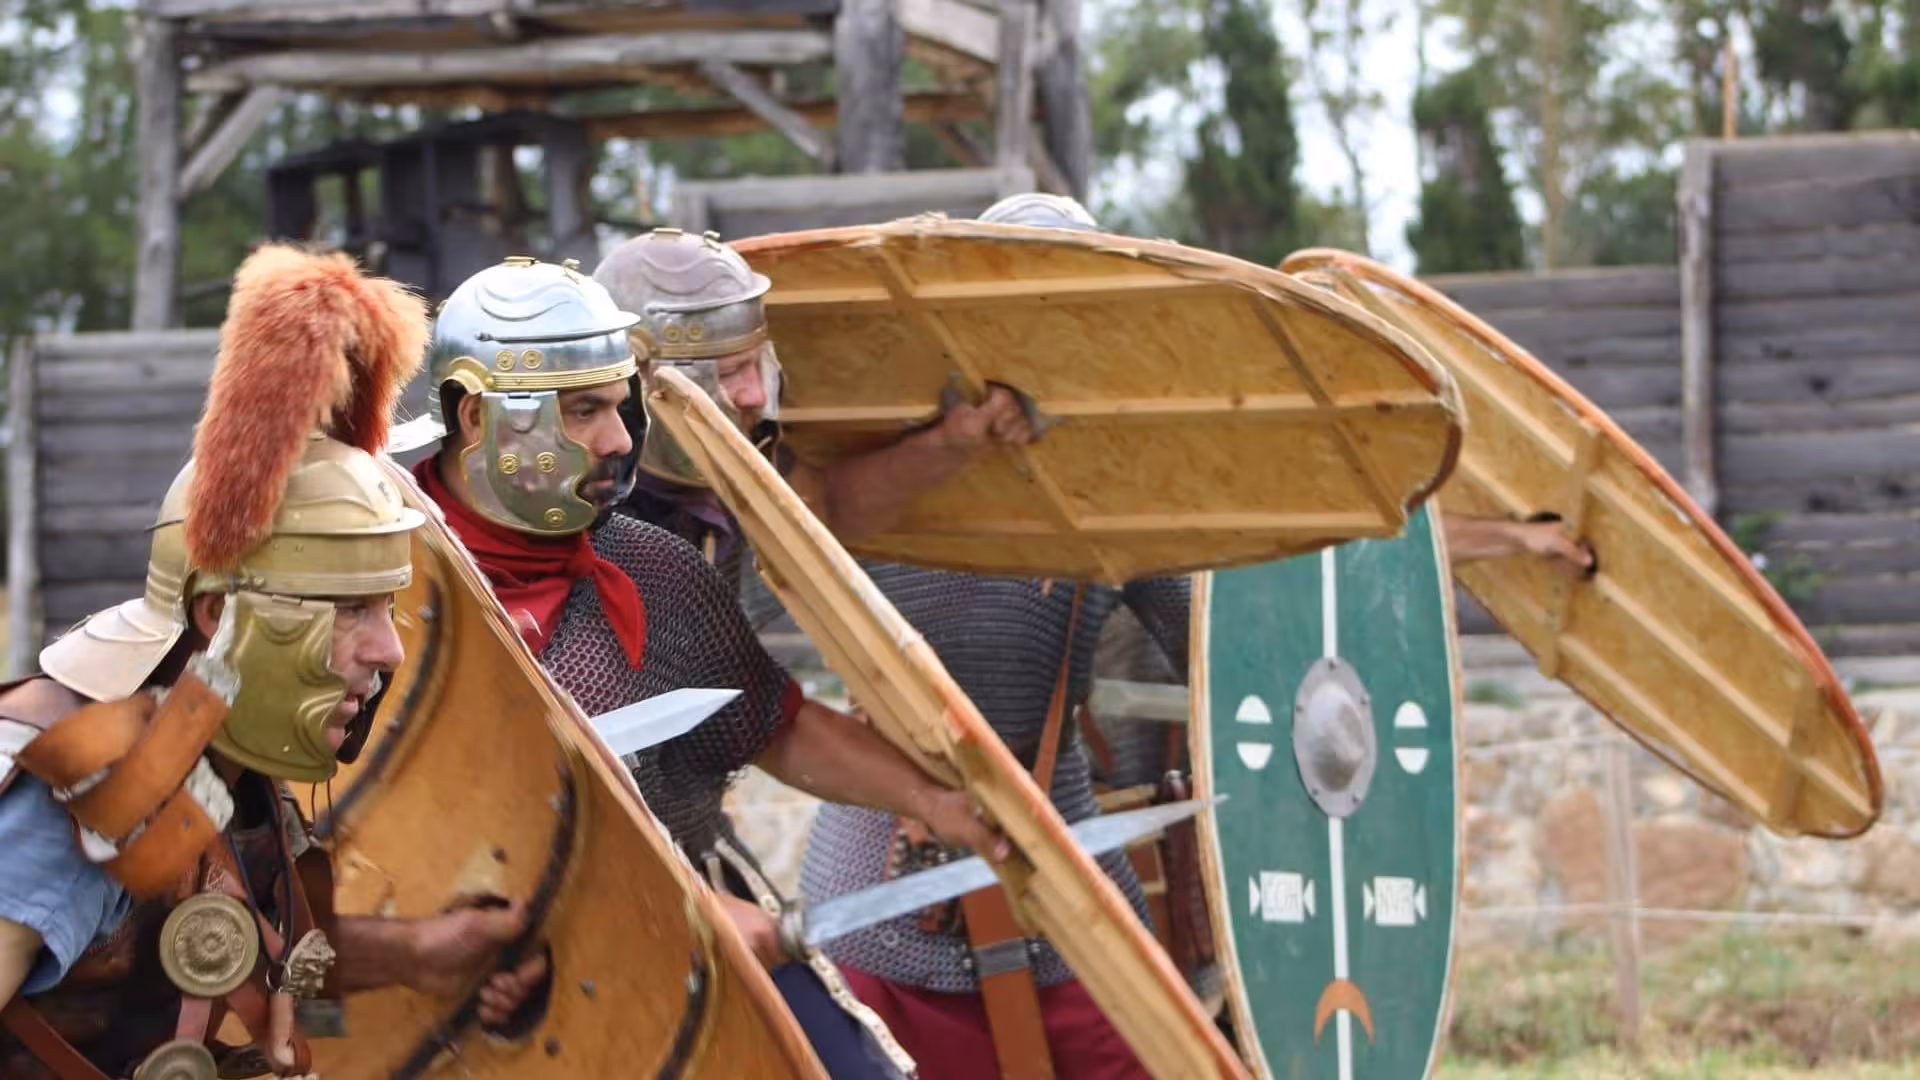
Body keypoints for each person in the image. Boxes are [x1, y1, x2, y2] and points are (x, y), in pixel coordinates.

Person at [399, 254, 1006, 1080]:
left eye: (619, 407)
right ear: (478, 415)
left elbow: (770, 724)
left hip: (679, 917)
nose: (619, 440)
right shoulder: (381, 585)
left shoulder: (650, 566)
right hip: (433, 977)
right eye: (583, 412)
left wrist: (935, 800)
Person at [0, 245, 541, 1079]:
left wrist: (426, 952)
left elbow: (236, 956)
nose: (387, 648)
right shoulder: (72, 784)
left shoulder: (218, 752)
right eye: (349, 610)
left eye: (383, 608)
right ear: (219, 616)